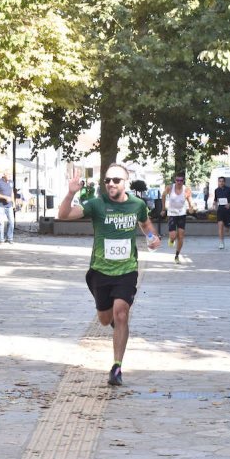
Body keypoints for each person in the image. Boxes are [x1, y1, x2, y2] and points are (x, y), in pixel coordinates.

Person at [57, 163, 161, 387]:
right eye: (107, 180)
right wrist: (71, 193)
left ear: (126, 183)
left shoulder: (137, 205)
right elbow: (64, 215)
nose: (111, 184)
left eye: (116, 180)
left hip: (127, 270)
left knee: (121, 313)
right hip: (100, 272)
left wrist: (152, 237)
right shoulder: (97, 204)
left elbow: (145, 224)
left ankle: (116, 367)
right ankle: (117, 327)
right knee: (105, 320)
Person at [165, 175, 193, 263]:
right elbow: (163, 196)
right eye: (177, 180)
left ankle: (177, 255)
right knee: (173, 236)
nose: (179, 182)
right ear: (175, 180)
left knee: (181, 236)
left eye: (181, 180)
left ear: (183, 181)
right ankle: (172, 239)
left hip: (182, 214)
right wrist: (163, 208)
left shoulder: (186, 189)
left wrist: (191, 207)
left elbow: (189, 199)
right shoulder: (170, 188)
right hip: (172, 214)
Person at [212, 176, 230, 250]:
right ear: (218, 182)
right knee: (220, 226)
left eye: (222, 181)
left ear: (224, 182)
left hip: (227, 210)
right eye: (220, 181)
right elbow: (216, 199)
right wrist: (214, 204)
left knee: (227, 228)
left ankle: (228, 226)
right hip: (220, 210)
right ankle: (221, 242)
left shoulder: (229, 189)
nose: (221, 182)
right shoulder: (216, 190)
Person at [0, 170, 16, 245]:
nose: (10, 176)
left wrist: (13, 202)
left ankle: (10, 238)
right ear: (4, 174)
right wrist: (5, 197)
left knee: (12, 222)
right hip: (0, 205)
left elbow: (12, 192)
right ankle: (1, 239)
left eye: (10, 174)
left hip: (9, 205)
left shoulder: (11, 182)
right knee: (1, 223)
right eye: (8, 174)